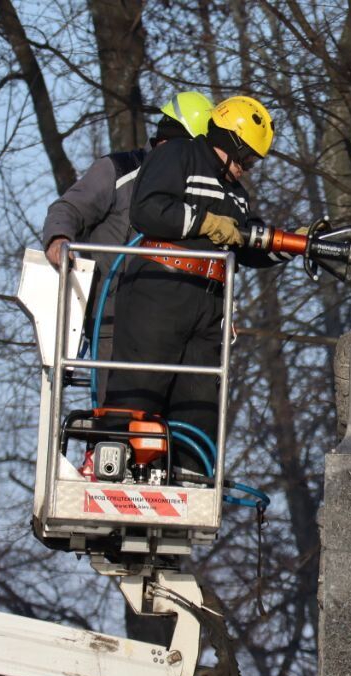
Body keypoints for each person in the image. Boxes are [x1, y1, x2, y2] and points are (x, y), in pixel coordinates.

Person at [103, 95, 287, 478]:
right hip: (160, 291)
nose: (248, 169)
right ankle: (118, 462)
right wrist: (203, 222)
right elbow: (148, 209)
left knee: (199, 397)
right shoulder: (180, 155)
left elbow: (243, 243)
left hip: (208, 302)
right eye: (248, 158)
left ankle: (189, 475)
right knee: (141, 388)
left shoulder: (235, 192)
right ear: (231, 142)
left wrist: (288, 246)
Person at [39, 91, 214, 389]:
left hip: (174, 331)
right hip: (113, 324)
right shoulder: (118, 171)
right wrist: (58, 239)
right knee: (119, 419)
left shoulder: (196, 192)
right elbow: (68, 209)